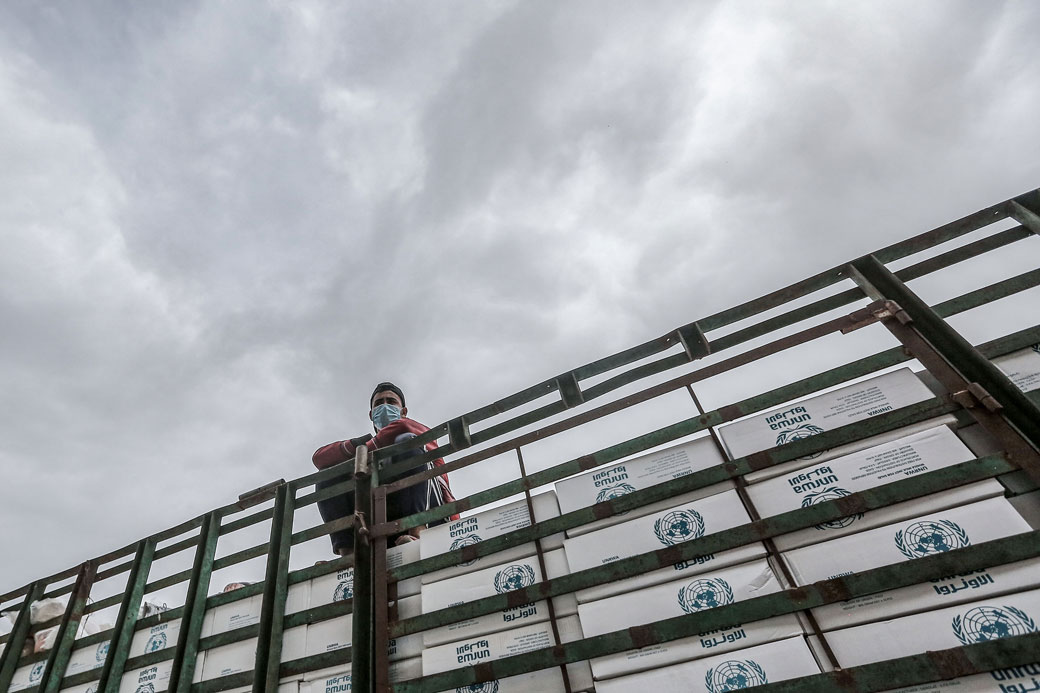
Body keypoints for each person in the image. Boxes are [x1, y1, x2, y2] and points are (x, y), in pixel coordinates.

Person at [312, 382, 458, 556]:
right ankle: (348, 553)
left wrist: (365, 451)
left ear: (403, 412)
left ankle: (417, 532)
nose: (385, 406)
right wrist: (357, 447)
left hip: (434, 516)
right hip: (384, 520)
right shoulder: (366, 451)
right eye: (379, 403)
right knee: (330, 474)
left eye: (391, 402)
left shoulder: (416, 431)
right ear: (371, 415)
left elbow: (404, 427)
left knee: (406, 441)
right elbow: (319, 458)